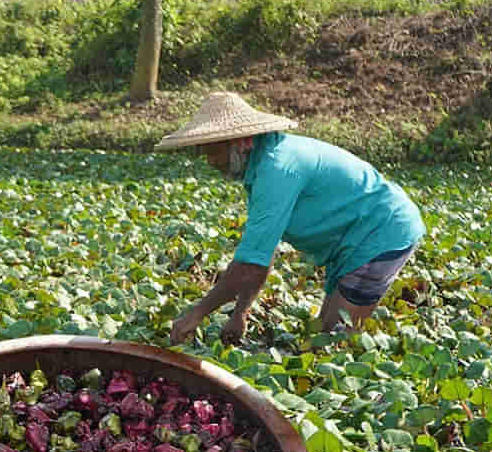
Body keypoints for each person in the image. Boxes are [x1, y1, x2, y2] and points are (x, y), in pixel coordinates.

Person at [161, 92, 426, 346]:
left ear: (240, 142)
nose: (209, 161)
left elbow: (247, 266)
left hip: (382, 232)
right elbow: (261, 254)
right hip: (354, 242)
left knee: (335, 342)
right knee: (324, 332)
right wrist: (240, 312)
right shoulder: (262, 165)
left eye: (212, 150)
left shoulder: (277, 169)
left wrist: (196, 314)